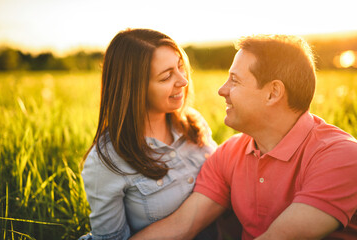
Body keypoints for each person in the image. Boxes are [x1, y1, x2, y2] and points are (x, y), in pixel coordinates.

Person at [130, 34, 357, 240]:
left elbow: (281, 237)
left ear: (273, 93)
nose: (222, 90)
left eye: (235, 81)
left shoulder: (341, 155)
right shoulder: (230, 153)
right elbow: (182, 225)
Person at [78, 28, 218, 240]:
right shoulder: (106, 161)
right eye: (166, 77)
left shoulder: (192, 123)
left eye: (180, 67)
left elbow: (223, 179)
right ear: (134, 88)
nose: (183, 81)